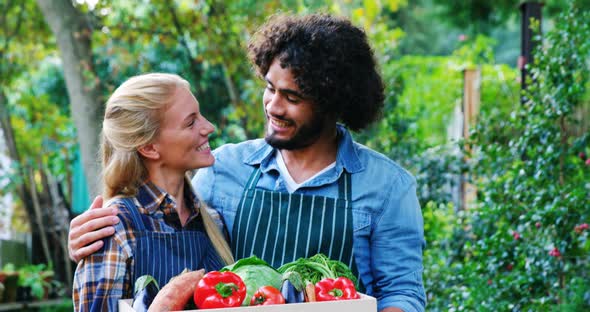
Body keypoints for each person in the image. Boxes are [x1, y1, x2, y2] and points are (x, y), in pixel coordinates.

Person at [68, 14, 426, 312]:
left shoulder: (387, 187)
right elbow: (162, 225)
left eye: (292, 97)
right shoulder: (223, 169)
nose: (273, 105)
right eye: (270, 88)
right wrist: (95, 243)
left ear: (332, 102)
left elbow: (402, 293)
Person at [72, 73, 234, 311]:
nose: (208, 127)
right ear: (149, 147)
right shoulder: (115, 230)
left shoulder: (213, 223)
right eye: (191, 122)